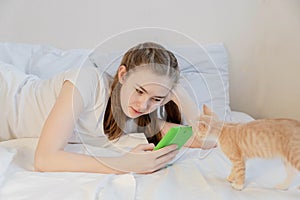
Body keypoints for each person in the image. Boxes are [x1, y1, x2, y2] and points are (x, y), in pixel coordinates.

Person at [0, 42, 207, 174]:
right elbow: (44, 159)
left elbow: (206, 139)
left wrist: (178, 92)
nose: (143, 105)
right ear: (123, 75)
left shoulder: (139, 116)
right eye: (140, 91)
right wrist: (124, 164)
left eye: (156, 98)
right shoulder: (88, 81)